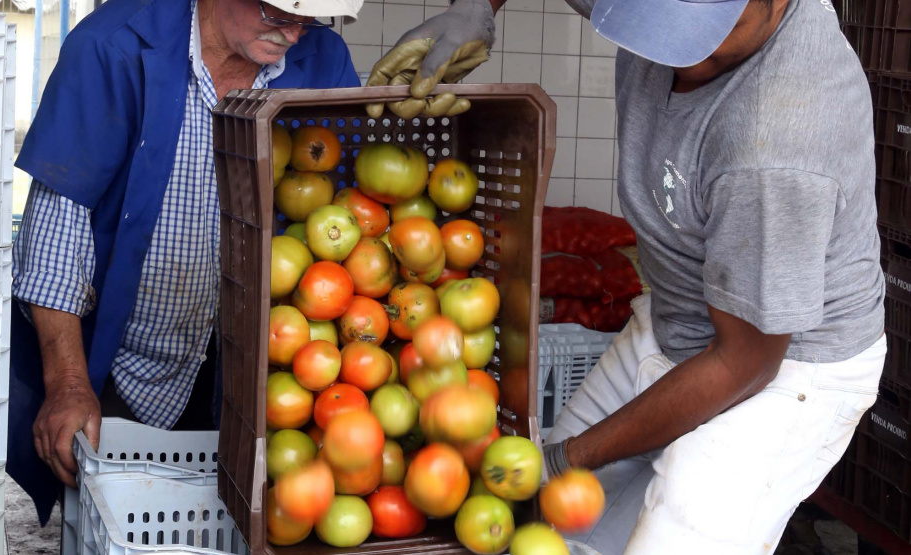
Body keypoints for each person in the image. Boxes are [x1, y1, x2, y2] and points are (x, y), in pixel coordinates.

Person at [371, 0, 886, 552]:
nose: (679, 59)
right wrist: (475, 8)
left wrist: (569, 456)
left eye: (703, 36)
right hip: (679, 318)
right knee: (547, 522)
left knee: (665, 529)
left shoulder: (776, 141)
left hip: (785, 369)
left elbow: (745, 362)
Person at [9, 0, 362, 526]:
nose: (292, 35)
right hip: (121, 364)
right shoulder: (113, 46)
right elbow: (58, 229)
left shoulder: (323, 61)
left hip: (257, 374)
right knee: (117, 520)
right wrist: (68, 383)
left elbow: (352, 213)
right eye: (276, 14)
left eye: (307, 20)